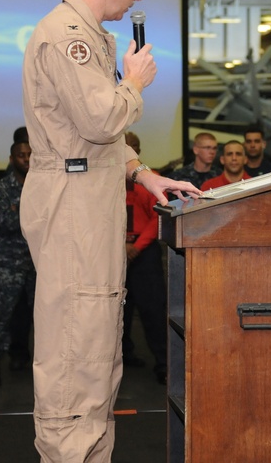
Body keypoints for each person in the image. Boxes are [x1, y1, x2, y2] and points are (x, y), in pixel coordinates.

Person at [20, 0, 200, 461]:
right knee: (77, 351)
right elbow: (100, 120)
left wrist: (146, 174)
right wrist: (134, 82)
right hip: (73, 203)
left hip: (88, 192)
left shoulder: (90, 33)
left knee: (97, 349)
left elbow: (95, 137)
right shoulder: (68, 36)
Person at [0, 141, 36, 390]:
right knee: (1, 318)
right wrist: (32, 213)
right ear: (12, 159)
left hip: (38, 264)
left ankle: (31, 362)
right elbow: (9, 222)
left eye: (29, 155)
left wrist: (21, 209)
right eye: (21, 156)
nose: (26, 159)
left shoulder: (43, 185)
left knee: (43, 320)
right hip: (8, 264)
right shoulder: (2, 188)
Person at [122, 131, 168, 384]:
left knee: (153, 310)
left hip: (144, 251)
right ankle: (122, 356)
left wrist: (136, 247)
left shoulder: (152, 180)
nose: (131, 149)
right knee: (118, 311)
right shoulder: (105, 181)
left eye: (134, 147)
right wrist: (120, 246)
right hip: (114, 251)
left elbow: (157, 218)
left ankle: (163, 364)